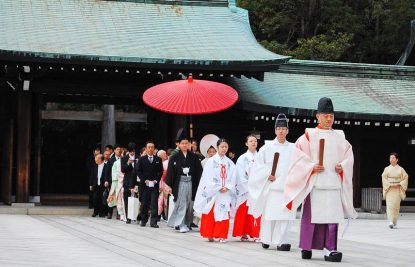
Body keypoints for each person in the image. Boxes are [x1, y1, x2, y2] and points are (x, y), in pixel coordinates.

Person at [284, 97, 357, 262]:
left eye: (331, 115)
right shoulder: (309, 136)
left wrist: (343, 166)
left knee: (332, 218)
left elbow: (348, 155)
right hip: (315, 183)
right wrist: (310, 166)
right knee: (311, 217)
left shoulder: (340, 136)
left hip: (333, 183)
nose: (329, 118)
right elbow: (298, 156)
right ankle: (306, 246)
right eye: (325, 115)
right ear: (317, 116)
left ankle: (330, 249)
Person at [248, 114, 295, 250]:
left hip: (287, 189)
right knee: (270, 216)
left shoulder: (293, 148)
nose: (281, 131)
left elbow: (298, 166)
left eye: (283, 128)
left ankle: (282, 241)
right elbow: (257, 168)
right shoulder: (266, 148)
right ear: (275, 130)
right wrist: (267, 175)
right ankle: (267, 239)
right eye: (278, 128)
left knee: (284, 217)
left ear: (287, 130)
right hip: (272, 187)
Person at [194, 138, 236, 243]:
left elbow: (233, 177)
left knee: (223, 212)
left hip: (225, 191)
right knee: (210, 211)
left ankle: (222, 235)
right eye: (222, 147)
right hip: (213, 191)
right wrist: (217, 187)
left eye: (226, 146)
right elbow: (207, 177)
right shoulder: (211, 161)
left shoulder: (230, 163)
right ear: (217, 147)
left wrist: (227, 186)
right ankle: (210, 233)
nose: (224, 149)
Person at [165, 131, 203, 233]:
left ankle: (187, 223)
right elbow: (170, 172)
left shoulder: (194, 157)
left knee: (190, 204)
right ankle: (180, 224)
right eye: (183, 143)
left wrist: (201, 184)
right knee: (181, 204)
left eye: (187, 143)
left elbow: (199, 172)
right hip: (180, 183)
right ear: (178, 144)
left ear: (189, 144)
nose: (185, 145)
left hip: (191, 182)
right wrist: (168, 185)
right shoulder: (174, 157)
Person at [232, 134, 261, 242]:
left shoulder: (261, 156)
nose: (254, 143)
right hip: (246, 189)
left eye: (255, 141)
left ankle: (255, 233)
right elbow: (240, 175)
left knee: (256, 212)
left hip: (258, 188)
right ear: (246, 143)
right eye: (251, 141)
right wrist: (248, 186)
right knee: (244, 211)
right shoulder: (242, 158)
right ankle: (243, 233)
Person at [136, 141, 163, 228]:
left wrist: (156, 180)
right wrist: (145, 180)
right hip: (144, 185)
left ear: (154, 149)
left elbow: (160, 171)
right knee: (144, 203)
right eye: (149, 147)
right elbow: (138, 171)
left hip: (154, 185)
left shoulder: (158, 159)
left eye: (152, 147)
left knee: (154, 203)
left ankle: (154, 222)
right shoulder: (141, 159)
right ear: (146, 148)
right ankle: (143, 220)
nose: (151, 149)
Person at [382, 152, 409, 229]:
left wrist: (399, 184)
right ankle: (390, 221)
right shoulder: (386, 169)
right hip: (389, 189)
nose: (391, 159)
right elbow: (383, 178)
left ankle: (394, 222)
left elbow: (405, 177)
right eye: (390, 158)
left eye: (393, 158)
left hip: (397, 189)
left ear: (397, 159)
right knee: (389, 205)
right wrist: (389, 184)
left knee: (396, 206)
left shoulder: (401, 169)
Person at [121, 142, 138, 224]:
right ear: (128, 150)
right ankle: (128, 217)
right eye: (131, 151)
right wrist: (128, 163)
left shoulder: (139, 157)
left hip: (136, 182)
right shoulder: (124, 158)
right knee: (127, 200)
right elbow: (122, 170)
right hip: (127, 181)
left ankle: (136, 216)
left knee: (138, 199)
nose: (132, 152)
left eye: (133, 151)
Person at [108, 153, 127, 221]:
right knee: (119, 199)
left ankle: (125, 215)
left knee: (125, 200)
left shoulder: (129, 161)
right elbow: (114, 175)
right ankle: (121, 214)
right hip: (119, 183)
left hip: (126, 183)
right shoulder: (116, 163)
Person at [106, 145, 122, 219]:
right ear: (114, 150)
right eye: (117, 149)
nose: (119, 151)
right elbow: (107, 171)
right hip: (113, 181)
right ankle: (110, 213)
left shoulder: (123, 159)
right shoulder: (111, 160)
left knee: (119, 197)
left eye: (120, 149)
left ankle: (119, 213)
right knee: (111, 196)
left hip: (121, 182)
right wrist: (107, 181)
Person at [157, 150, 169, 221]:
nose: (165, 155)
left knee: (164, 200)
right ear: (159, 156)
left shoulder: (167, 162)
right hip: (158, 183)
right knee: (159, 200)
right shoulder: (158, 162)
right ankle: (158, 214)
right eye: (163, 154)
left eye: (165, 153)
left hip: (165, 183)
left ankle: (163, 214)